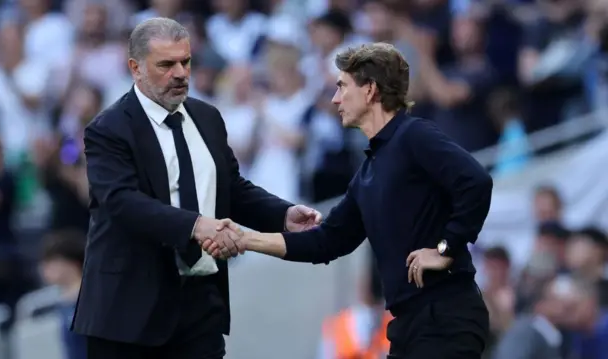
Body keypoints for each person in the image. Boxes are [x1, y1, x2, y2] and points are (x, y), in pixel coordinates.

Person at [204, 42, 493, 358]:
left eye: (342, 87)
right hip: (408, 324)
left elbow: (475, 182)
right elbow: (327, 241)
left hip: (445, 316)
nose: (335, 98)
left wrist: (446, 248)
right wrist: (246, 239)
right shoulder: (368, 170)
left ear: (370, 90)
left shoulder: (413, 135)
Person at [72, 17, 322, 359]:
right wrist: (195, 225)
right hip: (128, 312)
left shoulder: (207, 117)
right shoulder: (109, 129)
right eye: (166, 64)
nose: (180, 73)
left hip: (200, 304)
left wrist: (283, 214)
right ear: (135, 68)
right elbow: (122, 203)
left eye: (185, 62)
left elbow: (231, 188)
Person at [40, 229, 87, 359]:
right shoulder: (62, 302)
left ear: (72, 263)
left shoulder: (90, 300)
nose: (45, 268)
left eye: (52, 262)